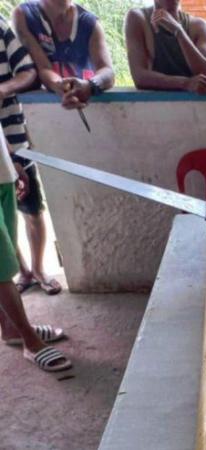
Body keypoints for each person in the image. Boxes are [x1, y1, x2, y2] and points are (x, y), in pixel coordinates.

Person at [12, 0, 114, 295]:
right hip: (27, 121)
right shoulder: (24, 15)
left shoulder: (88, 22)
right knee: (23, 195)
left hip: (76, 122)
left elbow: (108, 70)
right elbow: (41, 68)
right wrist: (62, 87)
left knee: (42, 198)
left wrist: (90, 85)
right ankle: (23, 271)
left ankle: (41, 269)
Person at [1, 132, 71, 372]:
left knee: (5, 259)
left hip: (3, 175)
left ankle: (10, 328)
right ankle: (30, 341)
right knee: (1, 270)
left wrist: (11, 158)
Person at [125, 0, 206, 95]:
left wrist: (179, 31)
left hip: (199, 106)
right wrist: (186, 83)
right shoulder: (138, 18)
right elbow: (140, 77)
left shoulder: (198, 25)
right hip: (154, 106)